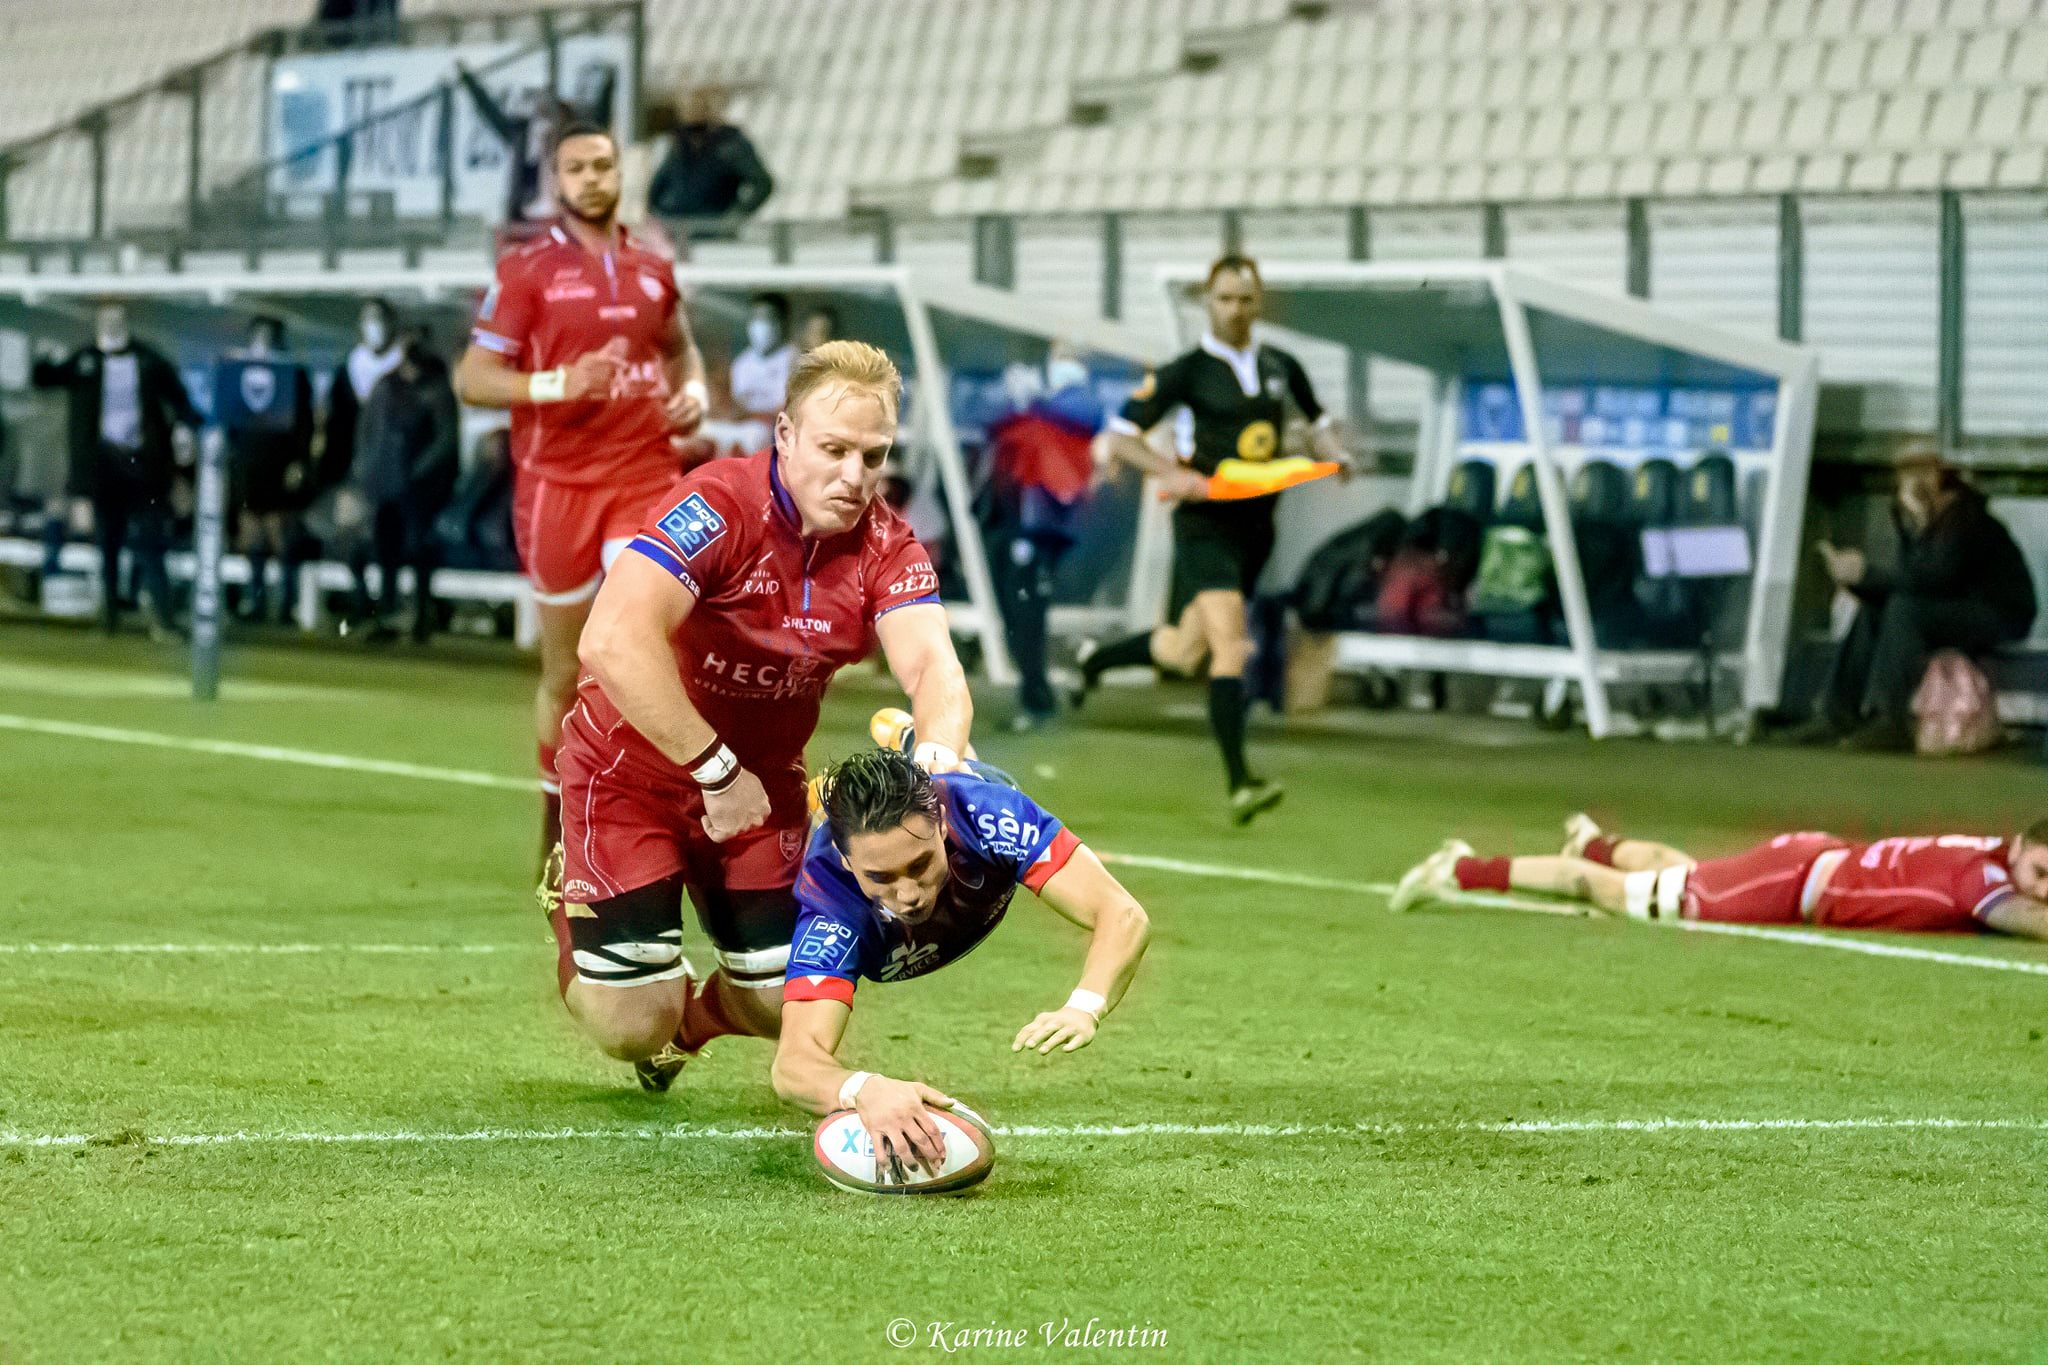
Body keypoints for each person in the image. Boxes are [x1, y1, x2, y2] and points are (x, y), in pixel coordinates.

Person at [542, 340, 974, 1093]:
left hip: (765, 786)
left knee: (791, 1001)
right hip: (631, 771)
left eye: (873, 456)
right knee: (630, 1025)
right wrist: (715, 769)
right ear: (785, 435)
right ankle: (570, 897)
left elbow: (935, 668)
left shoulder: (887, 547)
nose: (854, 477)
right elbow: (610, 639)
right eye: (834, 450)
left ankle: (689, 1028)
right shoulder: (717, 507)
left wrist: (937, 770)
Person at [454, 118, 710, 868]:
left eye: (603, 165)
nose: (593, 179)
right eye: (577, 168)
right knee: (566, 671)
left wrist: (693, 390)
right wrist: (556, 383)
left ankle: (659, 816)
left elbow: (680, 347)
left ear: (620, 171)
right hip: (558, 486)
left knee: (651, 647)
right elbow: (472, 379)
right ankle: (557, 818)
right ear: (555, 181)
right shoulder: (526, 271)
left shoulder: (653, 266)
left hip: (644, 476)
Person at [772, 747, 1150, 1176]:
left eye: (920, 864)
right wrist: (863, 1088)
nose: (909, 894)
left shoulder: (984, 814)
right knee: (762, 1002)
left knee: (946, 756)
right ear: (846, 861)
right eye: (881, 877)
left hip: (973, 792)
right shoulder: (830, 902)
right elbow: (793, 1066)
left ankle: (925, 745)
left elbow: (1123, 914)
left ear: (941, 825)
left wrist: (1085, 1006)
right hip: (894, 913)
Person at [1071, 255, 1354, 824]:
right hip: (1205, 526)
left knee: (1185, 650)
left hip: (1257, 528)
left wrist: (1336, 454)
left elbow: (1318, 422)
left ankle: (1096, 659)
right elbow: (1121, 436)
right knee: (1233, 646)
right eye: (1225, 299)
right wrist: (1170, 472)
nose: (1236, 309)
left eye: (1245, 299)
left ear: (1258, 301)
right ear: (1208, 302)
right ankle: (1240, 783)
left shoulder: (1280, 366)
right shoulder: (1185, 372)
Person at [1394, 812, 2048, 941]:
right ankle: (1461, 866)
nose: (2041, 888)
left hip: (1809, 859)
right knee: (1610, 893)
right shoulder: (1980, 877)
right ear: (2018, 848)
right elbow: (2022, 918)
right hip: (1790, 885)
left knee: (1686, 873)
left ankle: (1597, 842)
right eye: (2041, 872)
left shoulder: (1991, 847)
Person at [1796, 442, 2036, 751]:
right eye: (1907, 472)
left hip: (1999, 612)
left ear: (1942, 475)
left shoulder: (1965, 516)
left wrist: (1867, 574)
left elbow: (1934, 579)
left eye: (1922, 470)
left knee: (1903, 611)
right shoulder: (1924, 517)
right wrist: (1861, 581)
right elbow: (1910, 579)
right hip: (1957, 604)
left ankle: (1889, 719)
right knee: (1873, 610)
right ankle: (1836, 713)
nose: (1913, 481)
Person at [30, 300, 201, 638]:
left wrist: (185, 429)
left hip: (142, 466)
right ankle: (110, 618)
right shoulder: (86, 359)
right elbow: (46, 379)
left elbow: (181, 400)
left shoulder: (147, 360)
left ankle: (162, 618)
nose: (111, 324)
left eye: (116, 318)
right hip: (103, 466)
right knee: (108, 543)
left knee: (149, 542)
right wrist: (42, 359)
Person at [986, 344, 1102, 729]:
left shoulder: (1078, 403)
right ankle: (1033, 693)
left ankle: (1036, 700)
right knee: (1014, 614)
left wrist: (1032, 401)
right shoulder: (1038, 406)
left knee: (1027, 614)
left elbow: (1086, 417)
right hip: (1012, 522)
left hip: (1041, 529)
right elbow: (991, 422)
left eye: (1068, 356)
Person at [340, 325, 459, 643]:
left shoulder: (434, 388)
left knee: (416, 549)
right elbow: (367, 432)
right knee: (384, 551)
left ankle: (418, 615)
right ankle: (387, 613)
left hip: (419, 491)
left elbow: (445, 440)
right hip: (386, 487)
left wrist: (416, 473)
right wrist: (367, 471)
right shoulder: (388, 386)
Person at [216, 315, 316, 625]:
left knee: (282, 538)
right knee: (252, 540)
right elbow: (225, 421)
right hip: (248, 469)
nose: (264, 342)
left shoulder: (295, 375)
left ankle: (286, 605)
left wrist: (299, 461)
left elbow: (305, 424)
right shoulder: (237, 373)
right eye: (259, 335)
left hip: (280, 467)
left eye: (270, 336)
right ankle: (256, 603)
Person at [646, 86, 774, 242]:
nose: (694, 111)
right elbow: (656, 188)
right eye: (690, 106)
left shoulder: (730, 143)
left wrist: (733, 218)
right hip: (677, 234)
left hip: (713, 234)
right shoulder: (678, 144)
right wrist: (662, 218)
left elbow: (762, 183)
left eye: (701, 105)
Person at [322, 299, 405, 499]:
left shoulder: (405, 368)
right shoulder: (349, 369)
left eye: (379, 318)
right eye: (368, 319)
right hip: (351, 472)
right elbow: (336, 426)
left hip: (395, 476)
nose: (373, 325)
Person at [727, 292, 797, 451]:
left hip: (776, 432)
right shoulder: (741, 363)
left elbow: (786, 411)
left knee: (755, 435)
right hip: (744, 428)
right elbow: (736, 410)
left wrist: (755, 414)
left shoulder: (795, 359)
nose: (760, 325)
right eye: (756, 318)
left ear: (782, 322)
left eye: (767, 318)